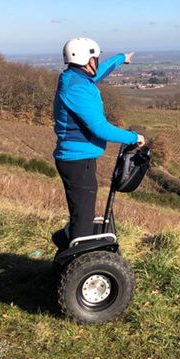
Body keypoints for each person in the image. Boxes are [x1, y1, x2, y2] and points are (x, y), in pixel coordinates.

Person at [52, 37, 144, 248]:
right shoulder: (77, 89)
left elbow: (98, 72)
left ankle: (66, 242)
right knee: (83, 220)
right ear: (86, 60)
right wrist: (134, 137)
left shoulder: (75, 77)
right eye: (95, 58)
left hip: (79, 159)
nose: (97, 62)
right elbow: (100, 128)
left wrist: (121, 58)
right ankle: (77, 259)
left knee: (83, 212)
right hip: (77, 161)